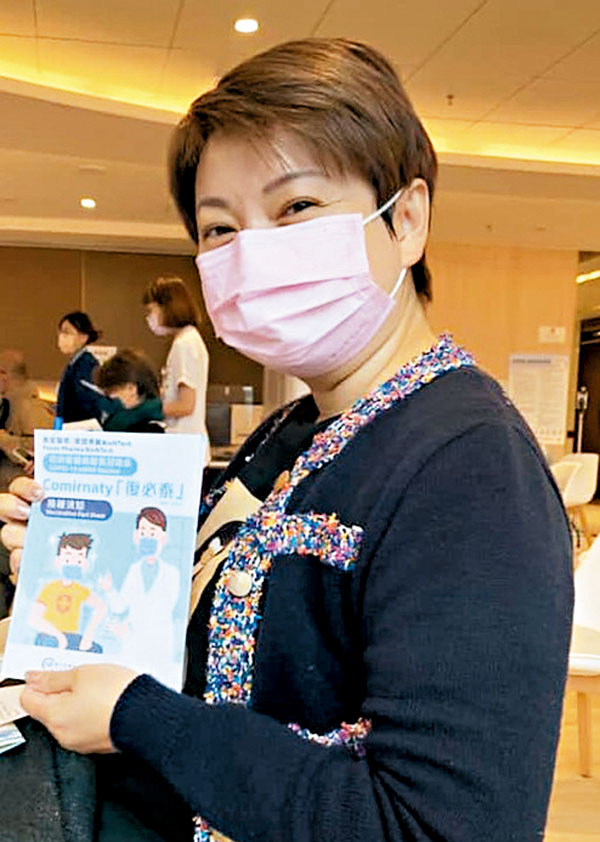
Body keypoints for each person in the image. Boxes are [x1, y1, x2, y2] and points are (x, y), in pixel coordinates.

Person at [0, 38, 573, 842]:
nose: (253, 250)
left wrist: (141, 718)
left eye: (297, 207)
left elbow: (442, 825)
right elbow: (201, 631)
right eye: (219, 228)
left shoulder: (470, 467)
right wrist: (80, 552)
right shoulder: (290, 430)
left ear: (406, 219)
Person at [98, 507, 180, 677]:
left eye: (152, 532)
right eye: (143, 532)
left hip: (158, 646)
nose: (147, 537)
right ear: (136, 537)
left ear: (163, 537)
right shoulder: (134, 570)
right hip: (132, 649)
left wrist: (128, 633)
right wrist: (110, 590)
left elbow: (159, 612)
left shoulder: (172, 574)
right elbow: (122, 606)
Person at [142, 277, 210, 439]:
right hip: (185, 439)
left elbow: (186, 405)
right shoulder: (187, 339)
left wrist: (145, 410)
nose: (149, 317)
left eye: (151, 310)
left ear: (168, 308)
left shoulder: (185, 344)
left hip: (184, 438)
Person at [29, 532, 106, 654]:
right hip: (48, 635)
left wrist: (88, 636)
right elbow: (34, 619)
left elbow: (101, 607)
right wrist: (58, 636)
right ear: (58, 560)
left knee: (96, 650)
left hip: (70, 636)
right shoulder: (50, 588)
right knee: (50, 644)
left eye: (79, 560)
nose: (73, 563)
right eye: (68, 559)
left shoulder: (80, 590)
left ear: (85, 563)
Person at [0, 349, 53, 490]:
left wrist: (5, 440)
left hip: (21, 489)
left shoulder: (31, 407)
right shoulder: (10, 405)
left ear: (3, 375)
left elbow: (44, 448)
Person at [56, 311, 110, 424]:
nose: (62, 337)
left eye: (67, 332)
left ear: (83, 337)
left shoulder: (86, 365)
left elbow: (89, 404)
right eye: (60, 332)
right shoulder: (73, 365)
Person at [95, 349, 165, 433]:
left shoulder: (149, 429)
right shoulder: (151, 416)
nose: (111, 396)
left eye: (113, 390)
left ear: (131, 389)